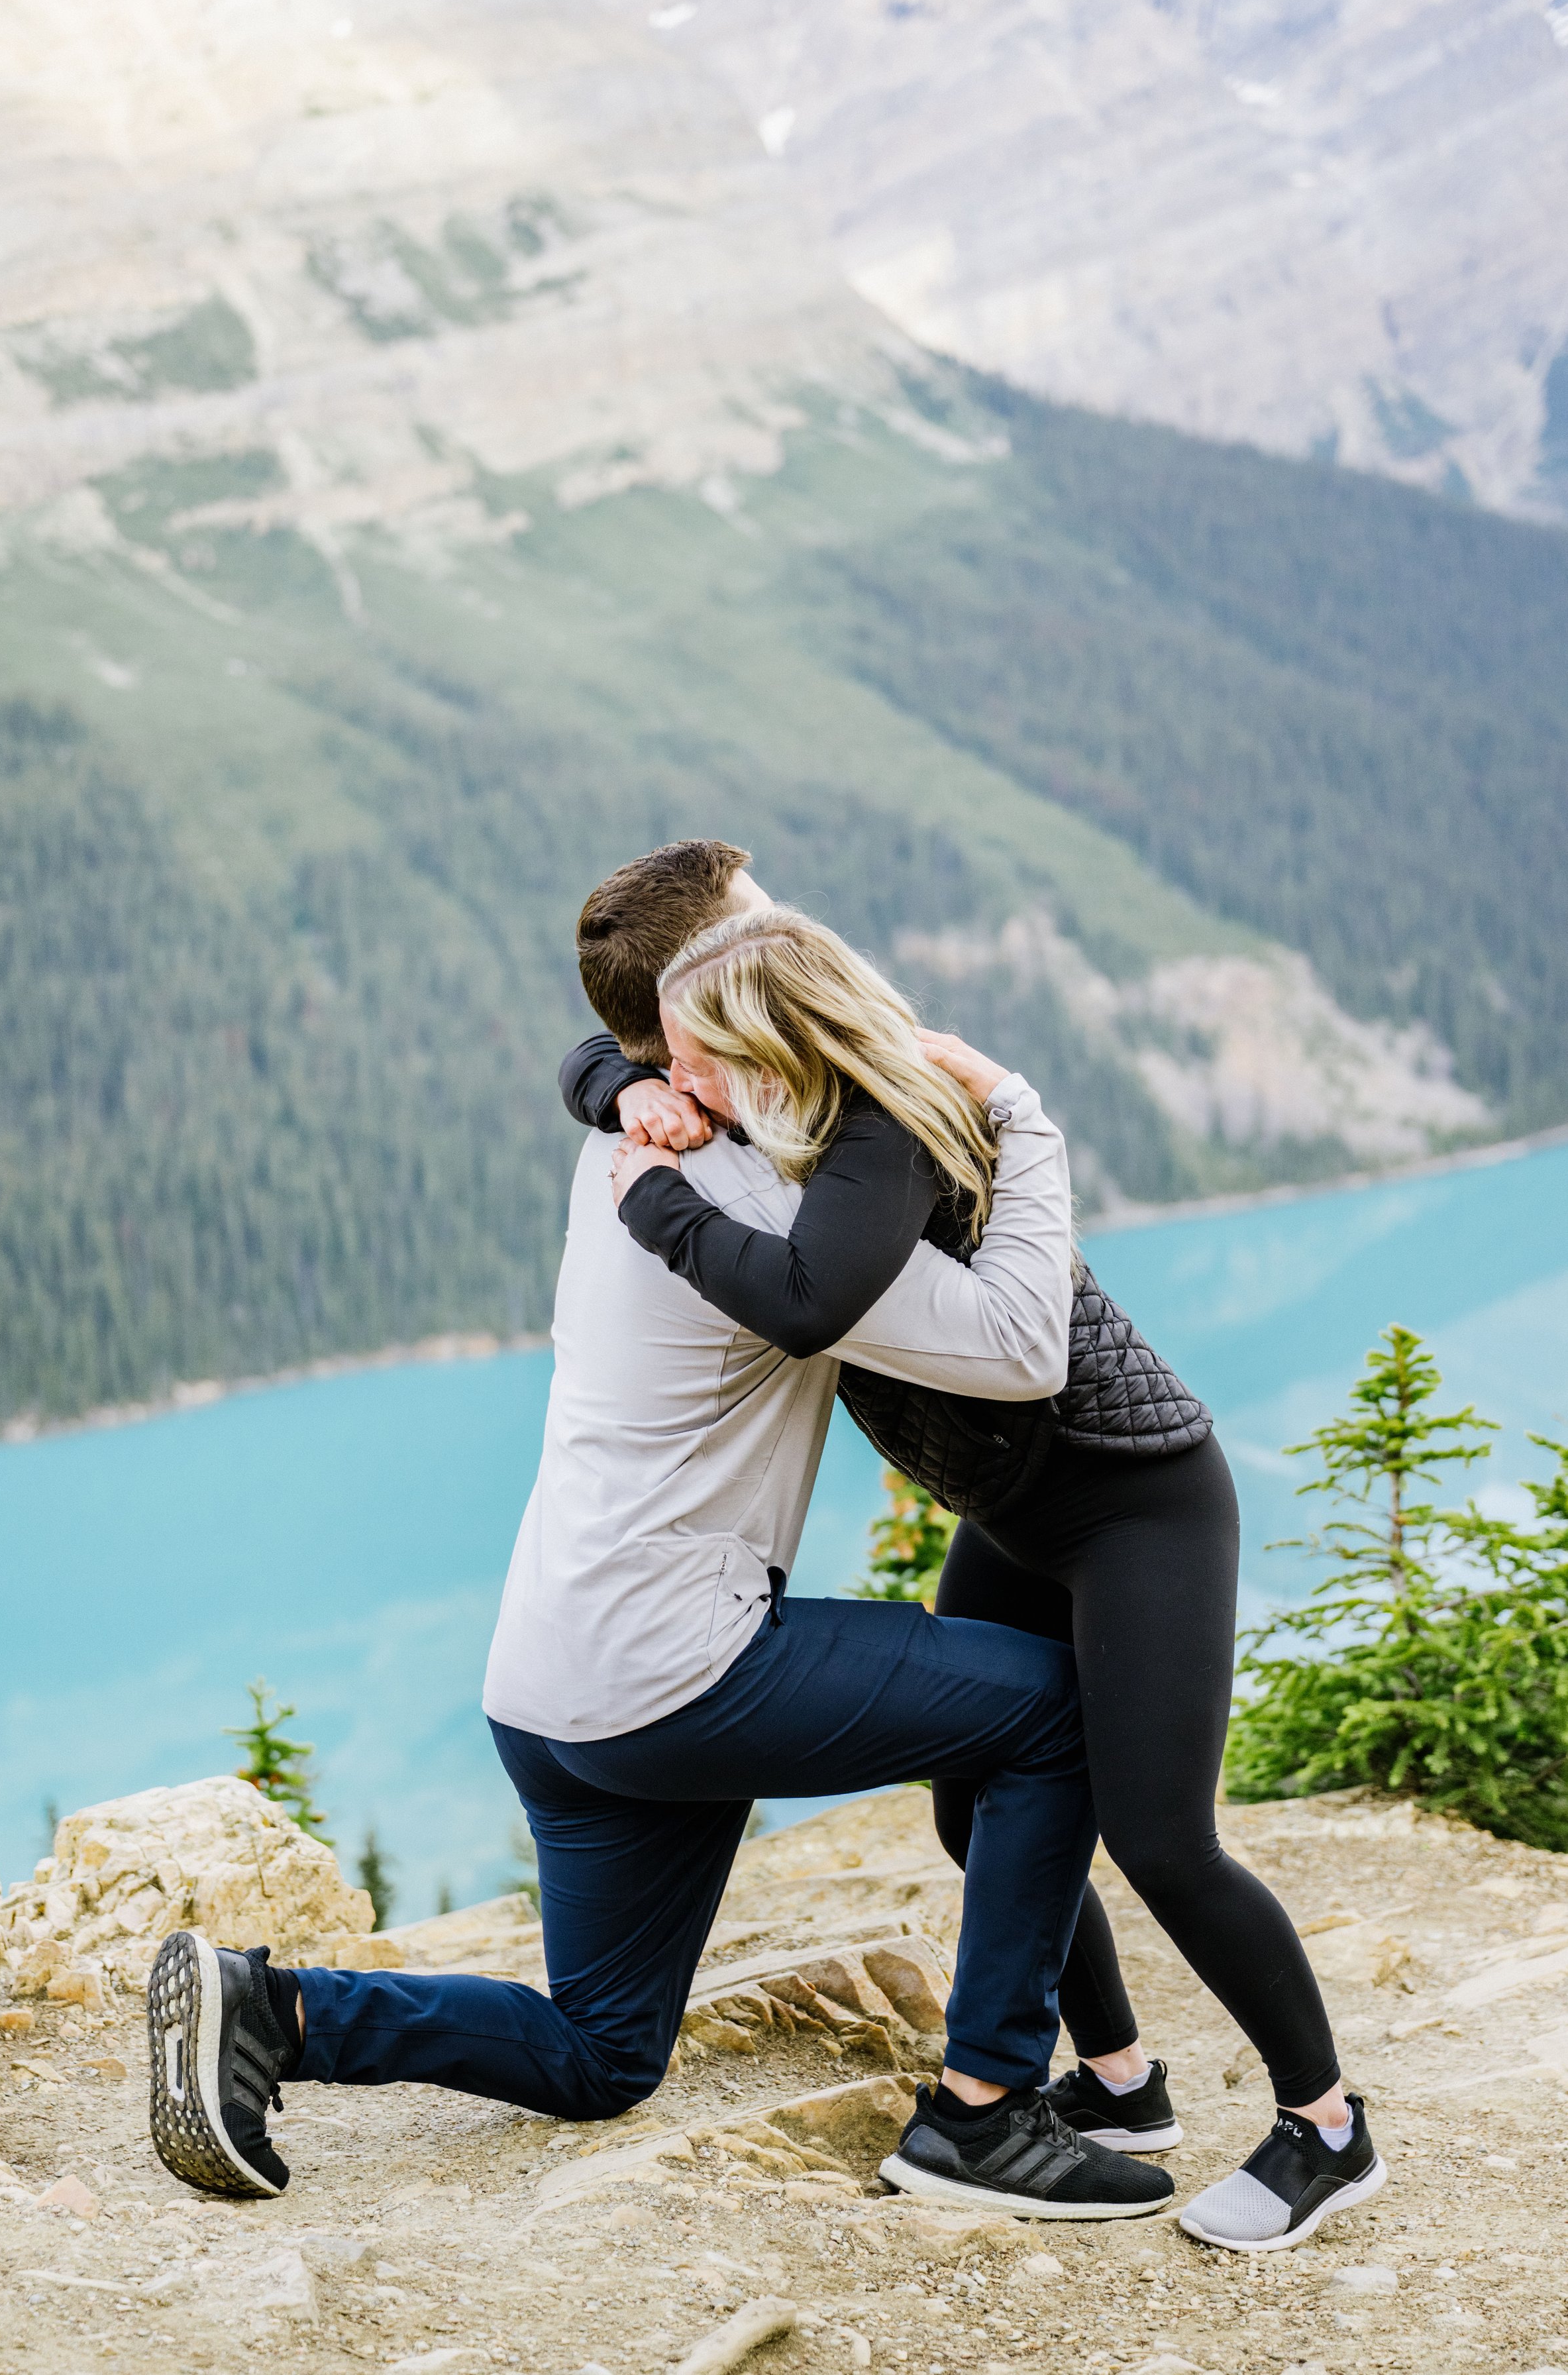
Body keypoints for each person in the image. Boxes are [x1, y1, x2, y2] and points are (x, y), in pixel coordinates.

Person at [146, 852, 1176, 2224]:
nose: (805, 931)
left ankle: (274, 2011)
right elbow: (1011, 1343)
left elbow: (608, 1052)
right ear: (701, 1010)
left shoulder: (627, 1143)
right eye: (765, 923)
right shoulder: (760, 1208)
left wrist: (616, 1074)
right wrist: (1026, 1123)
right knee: (1052, 1718)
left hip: (547, 1681)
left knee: (602, 2055)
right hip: (677, 1670)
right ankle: (983, 2113)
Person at [562, 851, 1387, 2256]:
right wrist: (617, 1084)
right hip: (1020, 1509)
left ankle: (1325, 2128)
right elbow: (601, 1049)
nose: (675, 1077)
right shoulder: (762, 1086)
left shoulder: (877, 1118)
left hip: (1136, 1501)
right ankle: (1120, 2088)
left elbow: (816, 1297)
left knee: (1162, 1838)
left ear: (751, 1013)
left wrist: (657, 1202)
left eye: (688, 1059)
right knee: (973, 1810)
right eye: (667, 1055)